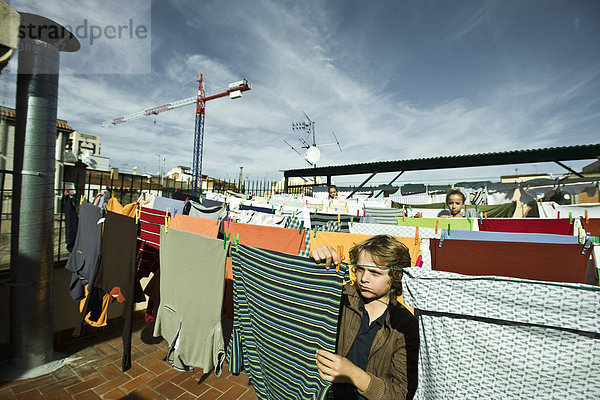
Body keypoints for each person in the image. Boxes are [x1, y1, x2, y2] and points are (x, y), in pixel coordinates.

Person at [312, 235, 419, 400]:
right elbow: (308, 296)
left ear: (396, 276)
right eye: (360, 269)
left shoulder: (405, 327)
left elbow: (401, 393)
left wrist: (354, 375)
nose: (364, 279)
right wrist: (317, 261)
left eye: (375, 273)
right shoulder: (343, 299)